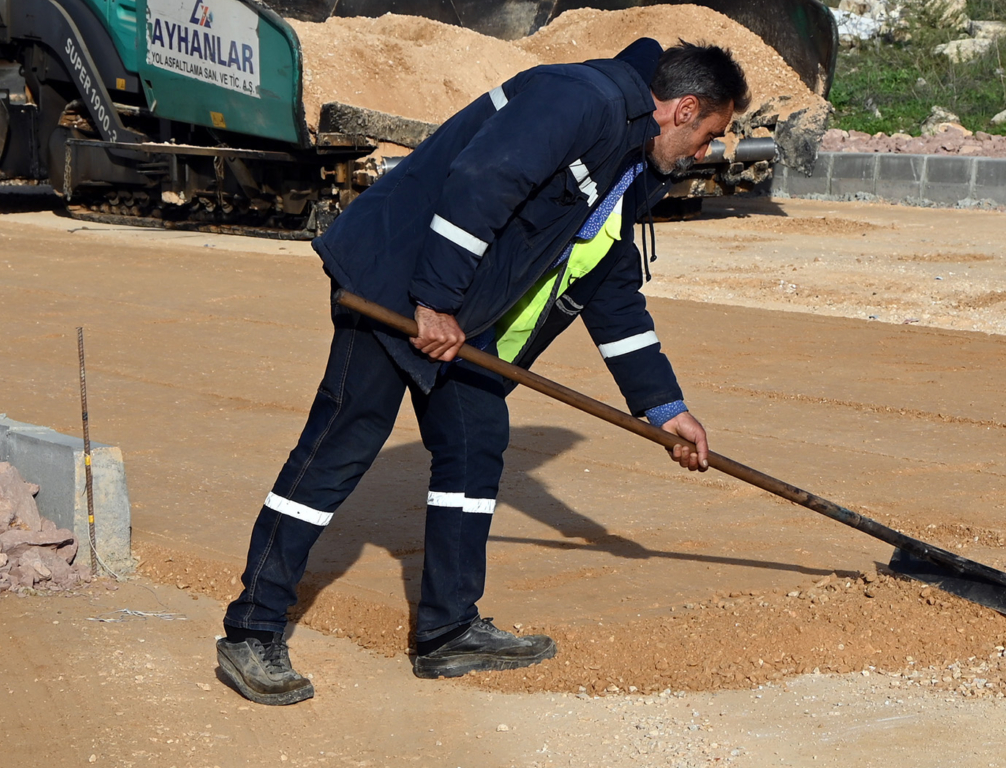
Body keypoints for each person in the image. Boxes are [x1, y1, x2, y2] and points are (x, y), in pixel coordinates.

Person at [214, 38, 746, 703]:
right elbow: (481, 180)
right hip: (393, 283)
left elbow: (609, 287)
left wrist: (664, 407)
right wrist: (432, 299)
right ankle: (251, 631)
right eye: (707, 137)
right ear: (685, 108)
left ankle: (447, 632)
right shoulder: (585, 99)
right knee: (339, 449)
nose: (702, 155)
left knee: (474, 445)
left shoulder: (631, 166)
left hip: (459, 313)